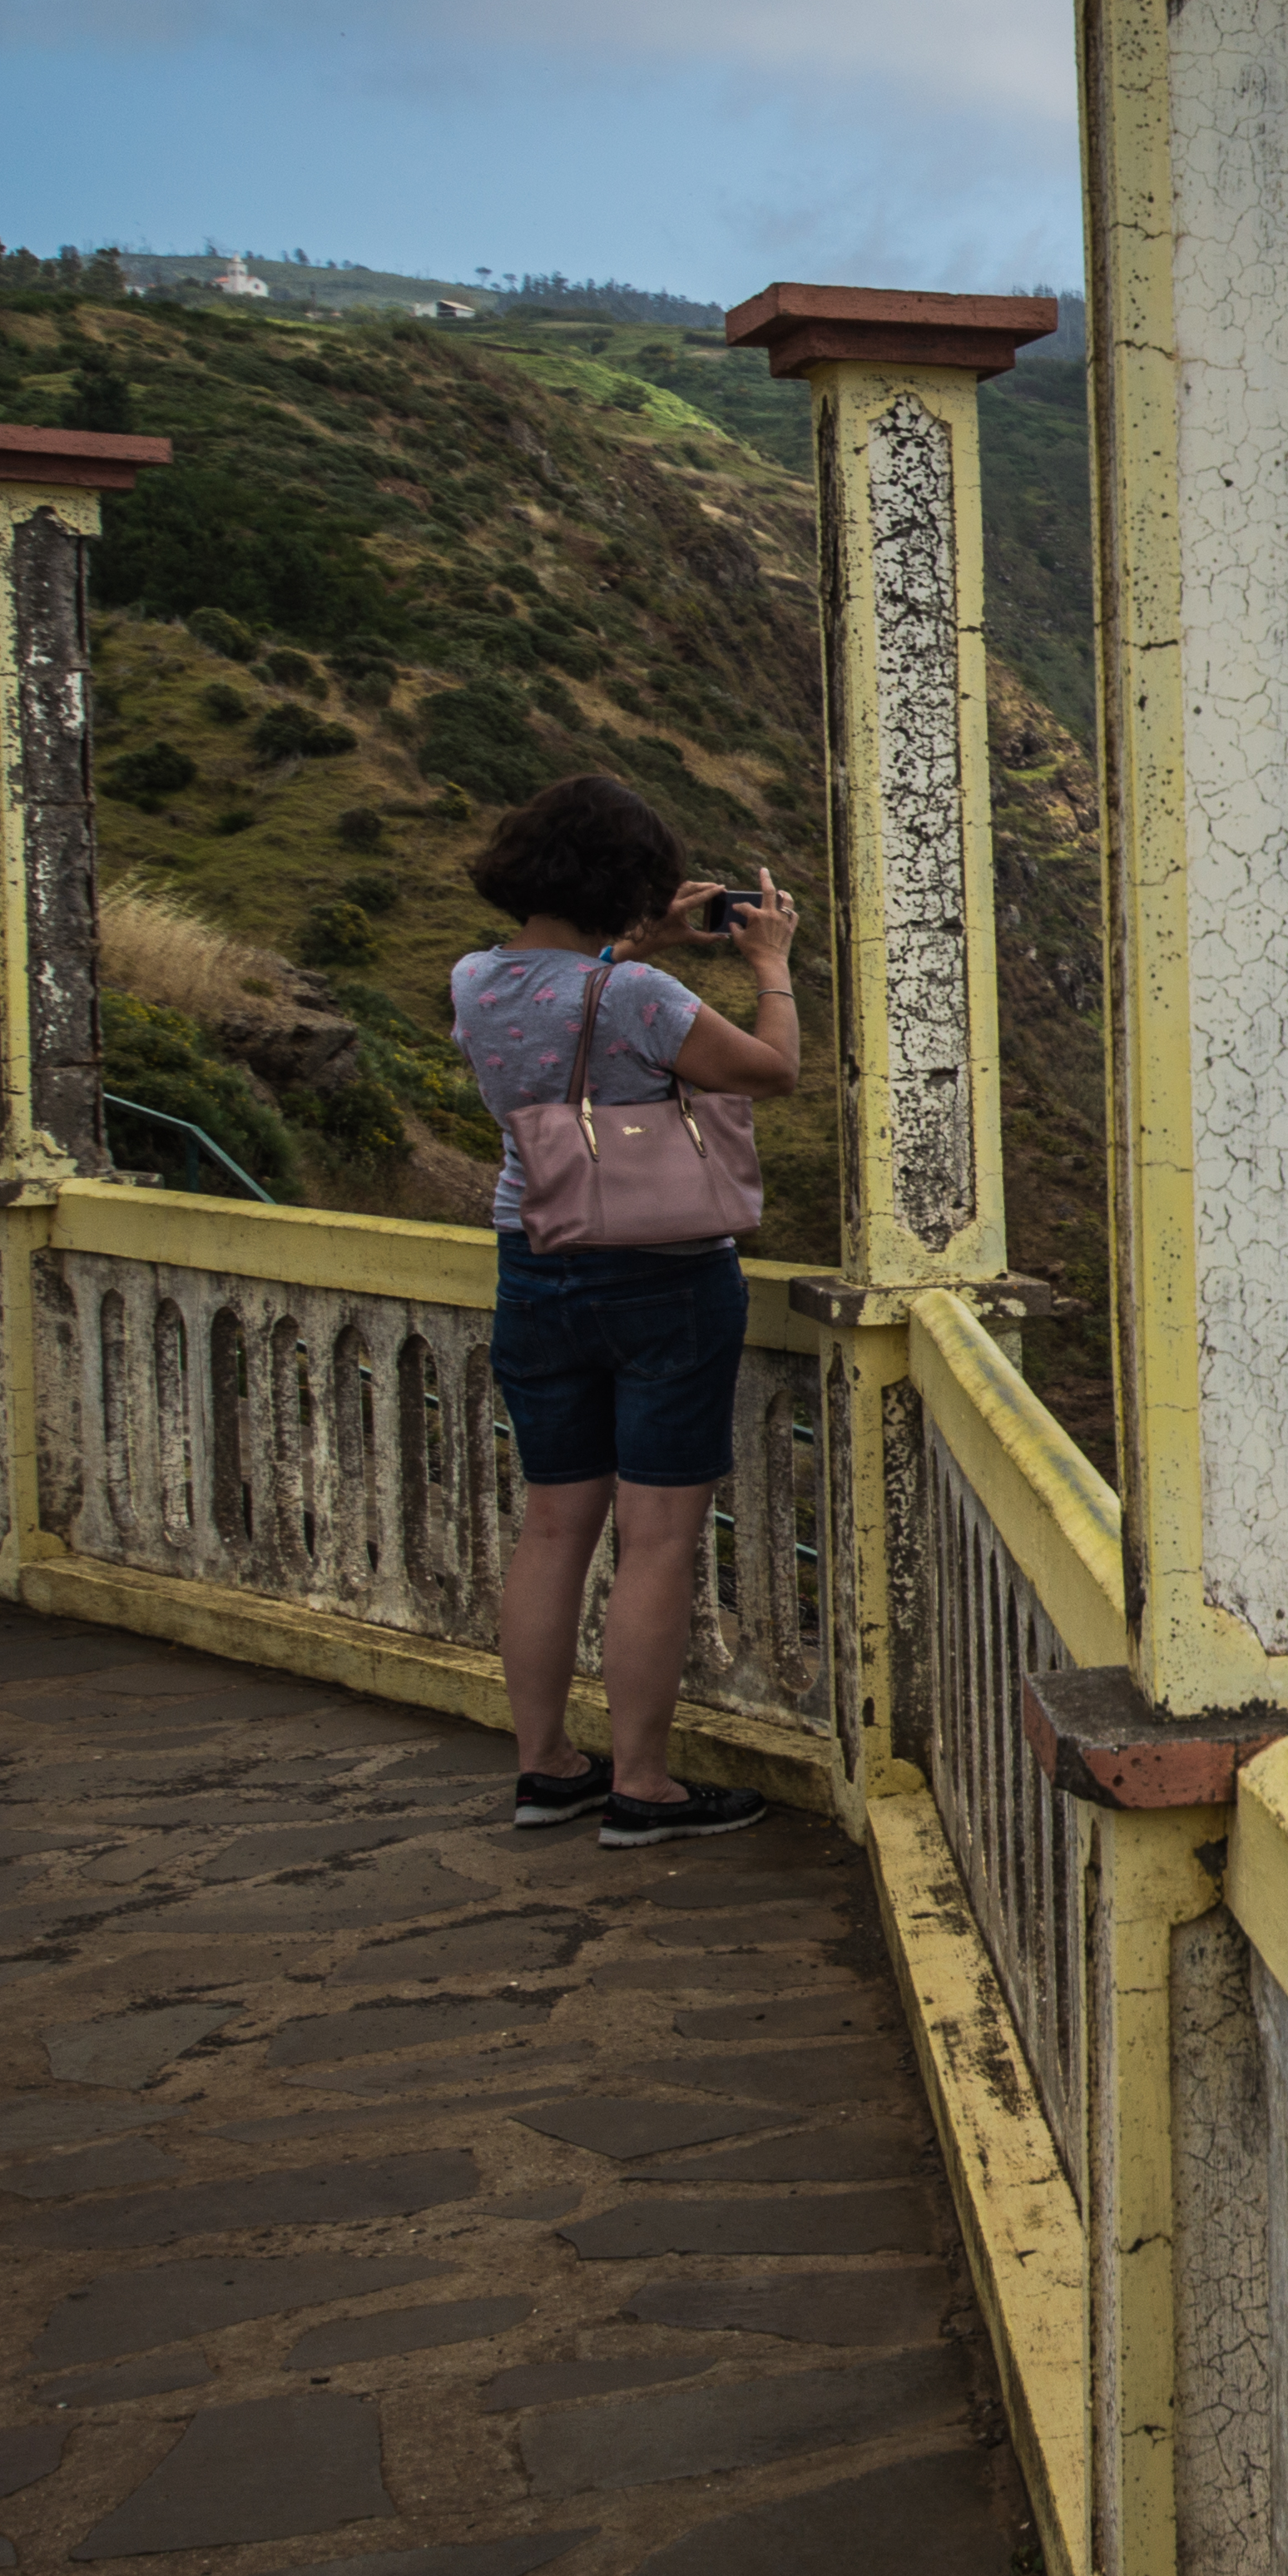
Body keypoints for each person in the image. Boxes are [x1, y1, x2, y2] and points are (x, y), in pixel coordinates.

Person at [450, 772, 802, 1847]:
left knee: (553, 1524)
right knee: (657, 1538)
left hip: (533, 1260)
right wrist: (770, 966)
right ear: (629, 887)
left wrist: (637, 944)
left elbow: (575, 1003)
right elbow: (772, 1072)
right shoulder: (642, 1000)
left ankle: (545, 1766)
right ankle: (641, 1786)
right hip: (662, 1277)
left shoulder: (474, 981)